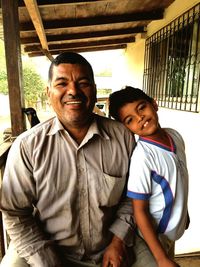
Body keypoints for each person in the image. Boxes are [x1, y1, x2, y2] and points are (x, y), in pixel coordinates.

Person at [0, 53, 158, 267]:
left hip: (110, 243)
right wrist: (47, 261)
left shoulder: (122, 137)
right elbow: (15, 212)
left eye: (82, 83)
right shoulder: (27, 146)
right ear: (48, 92)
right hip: (46, 248)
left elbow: (132, 196)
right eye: (62, 83)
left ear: (93, 90)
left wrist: (118, 241)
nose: (73, 91)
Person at [109, 86, 189, 267]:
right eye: (130, 119)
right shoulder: (143, 158)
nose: (140, 118)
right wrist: (161, 259)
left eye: (141, 108)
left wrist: (185, 213)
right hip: (155, 237)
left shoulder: (175, 136)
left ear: (154, 104)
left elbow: (179, 178)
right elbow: (139, 211)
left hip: (173, 230)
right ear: (127, 128)